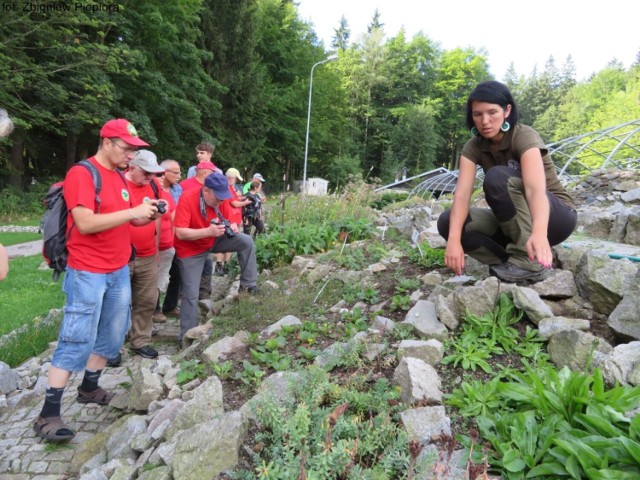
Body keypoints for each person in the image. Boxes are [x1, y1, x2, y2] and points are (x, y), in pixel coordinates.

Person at [33, 119, 160, 442]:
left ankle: (89, 387)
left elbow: (122, 218)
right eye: (127, 148)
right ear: (106, 143)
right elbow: (86, 222)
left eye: (134, 149)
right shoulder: (82, 173)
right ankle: (48, 414)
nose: (131, 154)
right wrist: (133, 213)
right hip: (87, 271)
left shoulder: (118, 177)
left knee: (113, 334)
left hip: (117, 270)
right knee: (76, 337)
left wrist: (145, 211)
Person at [437, 81, 577, 283]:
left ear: (507, 110)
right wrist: (453, 240)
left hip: (555, 218)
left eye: (492, 112)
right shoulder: (473, 147)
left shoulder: (523, 136)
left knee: (498, 177)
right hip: (517, 224)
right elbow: (462, 195)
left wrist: (538, 233)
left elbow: (535, 190)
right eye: (478, 114)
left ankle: (529, 262)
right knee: (449, 223)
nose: (485, 121)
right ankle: (511, 263)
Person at [174, 173, 259, 342]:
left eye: (223, 197)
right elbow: (180, 232)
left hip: (213, 240)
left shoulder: (222, 198)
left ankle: (248, 285)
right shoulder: (188, 197)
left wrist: (233, 225)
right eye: (218, 198)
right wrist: (207, 231)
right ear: (206, 190)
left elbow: (228, 218)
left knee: (246, 241)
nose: (221, 201)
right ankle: (187, 337)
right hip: (191, 249)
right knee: (191, 294)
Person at [123, 150, 166, 359]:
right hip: (123, 255)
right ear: (132, 167)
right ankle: (110, 347)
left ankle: (140, 341)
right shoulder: (119, 184)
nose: (151, 176)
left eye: (154, 173)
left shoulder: (153, 185)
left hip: (148, 254)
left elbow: (155, 217)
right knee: (118, 303)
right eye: (147, 172)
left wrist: (156, 248)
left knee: (147, 300)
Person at [155, 159, 181, 321]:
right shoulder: (147, 194)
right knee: (153, 279)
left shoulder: (168, 195)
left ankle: (168, 306)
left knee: (173, 274)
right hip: (150, 248)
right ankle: (154, 310)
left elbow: (174, 218)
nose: (179, 176)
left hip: (168, 245)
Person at [214, 168, 251, 275]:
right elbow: (234, 203)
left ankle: (226, 265)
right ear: (231, 178)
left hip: (233, 218)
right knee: (224, 242)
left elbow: (236, 199)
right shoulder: (227, 188)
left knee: (229, 243)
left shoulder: (230, 188)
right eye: (235, 179)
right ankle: (219, 265)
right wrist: (247, 202)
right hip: (228, 219)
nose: (236, 181)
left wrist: (244, 198)